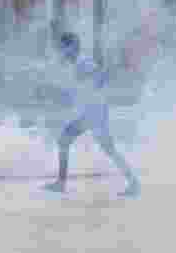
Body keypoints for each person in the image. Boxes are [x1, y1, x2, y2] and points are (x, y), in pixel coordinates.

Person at [44, 32, 141, 197]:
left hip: (94, 112)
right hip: (91, 112)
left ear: (72, 47)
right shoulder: (77, 63)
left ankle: (61, 183)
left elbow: (101, 76)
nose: (62, 52)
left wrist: (95, 86)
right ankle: (133, 182)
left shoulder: (83, 62)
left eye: (64, 48)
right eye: (61, 48)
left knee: (67, 140)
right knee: (105, 148)